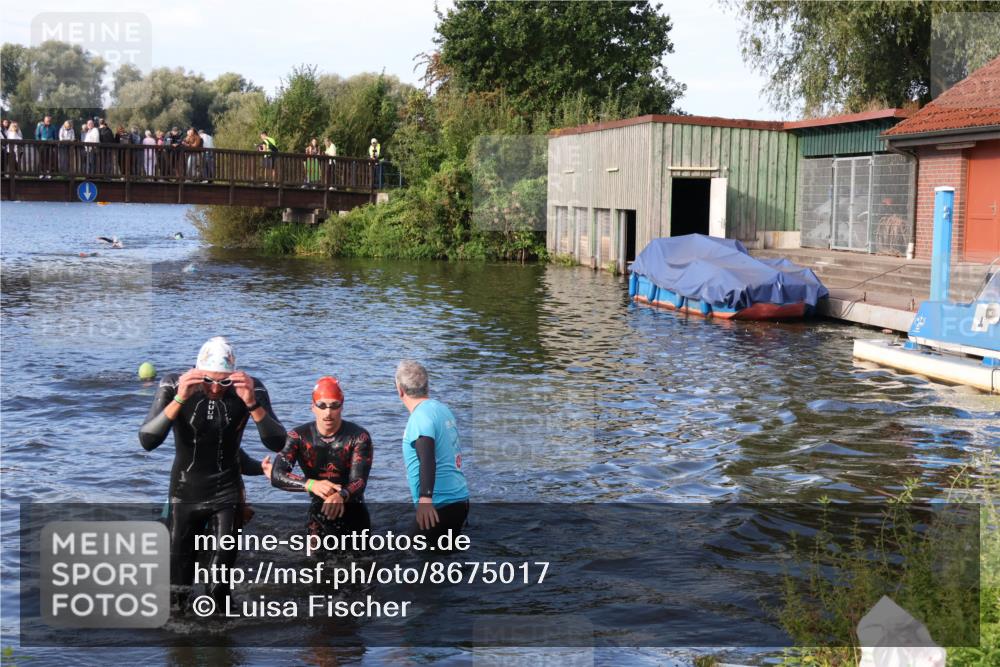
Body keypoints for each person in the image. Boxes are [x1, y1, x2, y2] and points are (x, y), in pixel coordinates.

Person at [138, 336, 286, 612]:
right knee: (177, 591)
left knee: (218, 587)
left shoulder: (250, 388)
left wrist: (253, 403)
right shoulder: (174, 384)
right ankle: (178, 652)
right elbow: (147, 440)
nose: (216, 388)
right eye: (208, 380)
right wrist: (181, 397)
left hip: (226, 493)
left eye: (224, 381)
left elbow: (277, 443)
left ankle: (222, 647)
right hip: (183, 494)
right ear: (197, 372)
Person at [271, 376, 374, 539]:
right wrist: (311, 484)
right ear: (313, 407)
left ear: (342, 406)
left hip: (354, 510)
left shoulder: (358, 437)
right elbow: (277, 475)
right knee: (314, 563)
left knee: (363, 562)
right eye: (322, 405)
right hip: (319, 510)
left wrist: (341, 495)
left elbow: (359, 481)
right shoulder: (298, 436)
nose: (328, 412)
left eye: (334, 406)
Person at [394, 360, 469, 541]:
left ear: (400, 390)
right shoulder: (442, 409)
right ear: (427, 386)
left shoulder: (420, 418)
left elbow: (427, 458)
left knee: (404, 558)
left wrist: (425, 499)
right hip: (460, 500)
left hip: (438, 506)